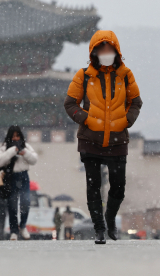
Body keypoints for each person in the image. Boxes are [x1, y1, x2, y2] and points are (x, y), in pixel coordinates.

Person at [64, 30, 142, 244]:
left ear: (116, 51)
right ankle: (99, 228)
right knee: (93, 186)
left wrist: (127, 121)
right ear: (94, 51)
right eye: (101, 48)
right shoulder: (84, 75)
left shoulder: (125, 75)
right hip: (90, 140)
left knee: (118, 186)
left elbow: (136, 102)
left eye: (109, 48)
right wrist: (86, 119)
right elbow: (70, 103)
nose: (105, 52)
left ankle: (110, 218)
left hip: (118, 140)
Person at [0, 125, 38, 240]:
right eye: (13, 136)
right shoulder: (4, 147)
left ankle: (23, 226)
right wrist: (12, 151)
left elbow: (34, 160)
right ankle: (14, 230)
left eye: (17, 136)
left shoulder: (26, 146)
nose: (15, 138)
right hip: (11, 177)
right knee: (12, 204)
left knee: (25, 202)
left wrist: (24, 153)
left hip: (23, 176)